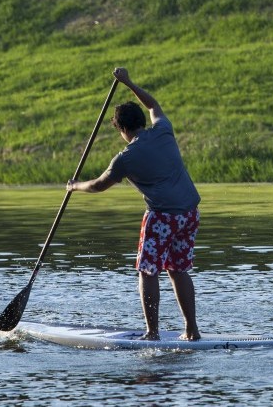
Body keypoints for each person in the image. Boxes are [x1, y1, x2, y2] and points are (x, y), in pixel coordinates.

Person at [67, 67, 202, 341]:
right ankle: (191, 330)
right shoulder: (164, 130)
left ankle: (152, 333)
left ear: (123, 130)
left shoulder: (125, 158)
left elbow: (98, 185)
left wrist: (74, 186)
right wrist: (128, 82)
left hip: (162, 218)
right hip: (190, 213)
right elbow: (153, 104)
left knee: (148, 270)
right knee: (178, 270)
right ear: (142, 121)